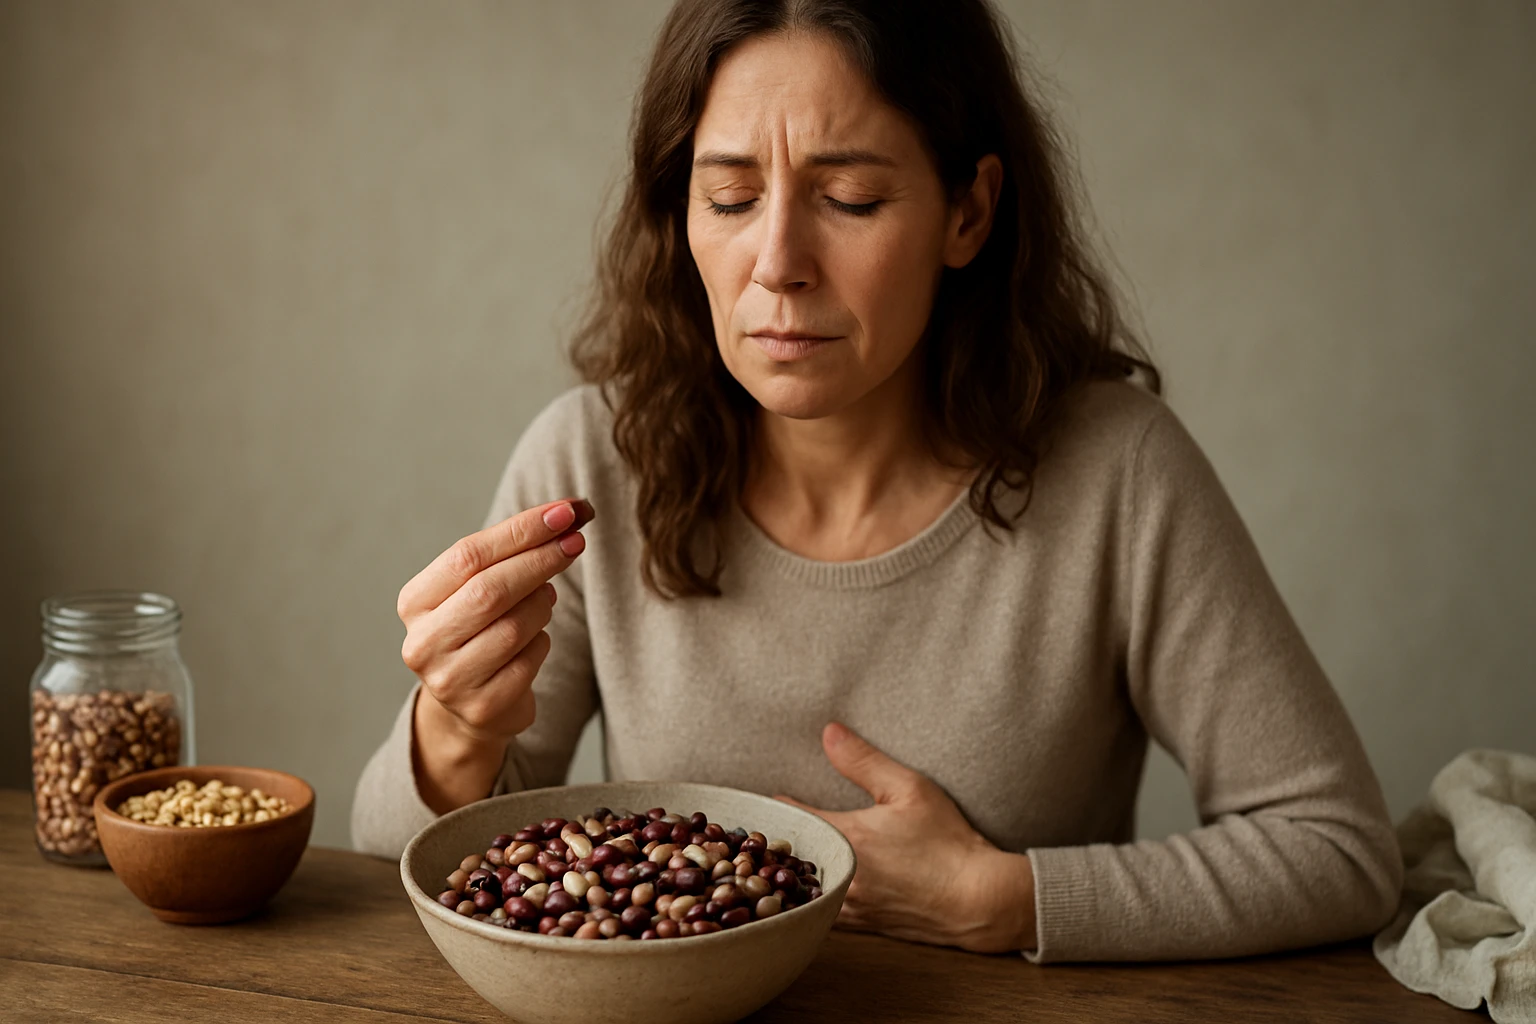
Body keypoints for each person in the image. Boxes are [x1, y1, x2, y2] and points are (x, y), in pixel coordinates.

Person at [354, 0, 1402, 963]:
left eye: (849, 198)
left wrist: (1011, 899)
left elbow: (1340, 851)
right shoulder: (591, 462)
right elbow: (400, 856)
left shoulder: (1119, 473)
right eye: (728, 197)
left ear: (968, 212)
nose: (777, 262)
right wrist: (452, 730)